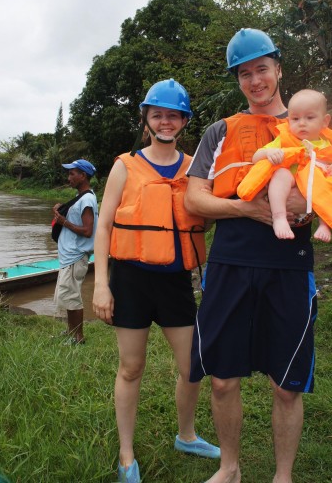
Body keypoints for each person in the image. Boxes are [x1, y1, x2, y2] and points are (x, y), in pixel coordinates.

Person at [184, 28, 322, 483]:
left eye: (262, 68)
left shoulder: (308, 124)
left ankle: (283, 476)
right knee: (222, 378)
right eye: (245, 73)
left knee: (286, 386)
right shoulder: (219, 131)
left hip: (288, 266)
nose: (255, 80)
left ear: (278, 68)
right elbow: (195, 200)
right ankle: (230, 468)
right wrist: (248, 209)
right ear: (238, 80)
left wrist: (302, 206)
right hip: (230, 264)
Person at [92, 79, 220, 483]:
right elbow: (103, 227)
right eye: (157, 115)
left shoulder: (194, 167)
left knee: (191, 368)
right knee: (131, 368)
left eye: (173, 115)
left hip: (176, 282)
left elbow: (212, 211)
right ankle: (126, 455)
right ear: (147, 119)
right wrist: (100, 284)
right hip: (130, 280)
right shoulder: (124, 166)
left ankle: (186, 435)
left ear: (184, 121)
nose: (165, 122)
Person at [237, 89, 332, 242]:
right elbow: (256, 157)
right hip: (290, 186)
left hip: (315, 192)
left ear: (325, 121)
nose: (302, 123)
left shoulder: (330, 146)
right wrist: (270, 153)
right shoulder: (284, 140)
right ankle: (279, 217)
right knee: (281, 174)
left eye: (309, 117)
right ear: (288, 122)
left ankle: (325, 224)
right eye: (295, 119)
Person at [53, 159, 98, 345]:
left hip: (76, 255)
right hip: (70, 256)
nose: (69, 177)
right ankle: (71, 331)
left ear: (83, 176)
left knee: (72, 297)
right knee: (67, 296)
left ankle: (78, 337)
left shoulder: (87, 199)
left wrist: (64, 222)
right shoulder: (84, 196)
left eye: (72, 173)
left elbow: (88, 231)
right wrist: (60, 213)